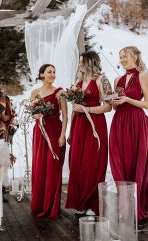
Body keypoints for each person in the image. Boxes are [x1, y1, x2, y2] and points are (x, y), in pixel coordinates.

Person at [65, 51, 112, 216]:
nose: (79, 64)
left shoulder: (102, 79)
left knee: (91, 164)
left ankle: (93, 204)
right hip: (79, 125)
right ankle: (80, 203)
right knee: (76, 163)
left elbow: (108, 106)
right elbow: (75, 107)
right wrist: (71, 130)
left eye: (81, 61)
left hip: (95, 125)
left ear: (89, 62)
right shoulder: (79, 80)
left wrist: (87, 109)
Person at [109, 46, 148, 222]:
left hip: (136, 122)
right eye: (120, 57)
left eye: (125, 56)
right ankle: (124, 208)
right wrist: (112, 100)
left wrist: (128, 99)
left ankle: (137, 209)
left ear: (134, 56)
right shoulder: (116, 79)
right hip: (119, 122)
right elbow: (114, 106)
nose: (122, 59)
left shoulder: (144, 76)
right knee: (119, 164)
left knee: (137, 163)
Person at [30, 64, 68, 219]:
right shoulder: (35, 93)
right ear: (42, 74)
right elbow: (33, 114)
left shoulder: (60, 93)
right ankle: (39, 204)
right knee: (40, 167)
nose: (52, 74)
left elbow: (65, 116)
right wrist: (36, 116)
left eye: (54, 72)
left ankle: (50, 206)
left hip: (54, 131)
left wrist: (62, 135)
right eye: (49, 72)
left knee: (52, 169)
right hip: (39, 132)